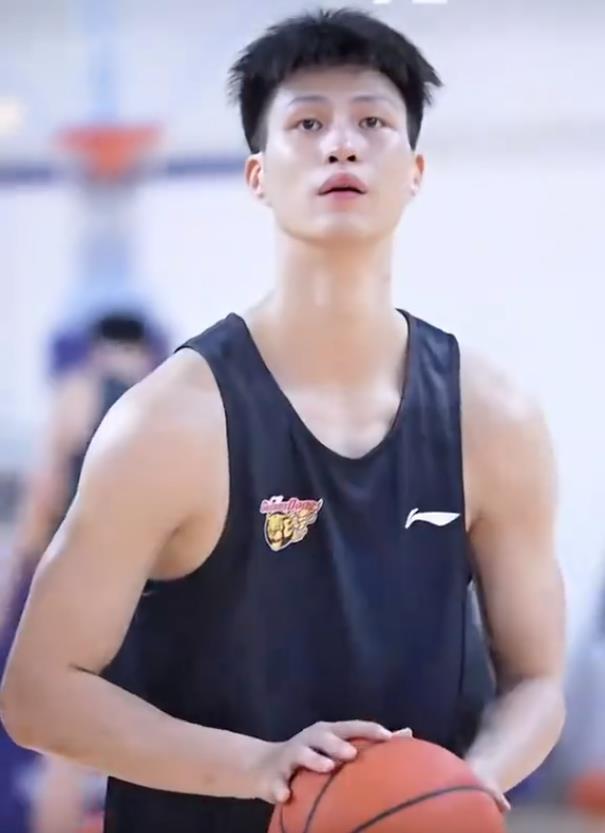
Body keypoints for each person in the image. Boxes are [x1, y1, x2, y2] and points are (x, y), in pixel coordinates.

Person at [0, 10, 565, 833]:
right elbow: (38, 692)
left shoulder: (491, 416)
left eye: (371, 122)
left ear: (413, 170)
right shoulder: (168, 423)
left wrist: (457, 786)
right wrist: (261, 767)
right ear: (257, 176)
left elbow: (539, 681)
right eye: (307, 123)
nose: (341, 144)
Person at [0, 313, 154, 833]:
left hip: (75, 581)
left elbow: (42, 502)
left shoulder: (78, 393)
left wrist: (15, 589)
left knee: (62, 746)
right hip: (143, 586)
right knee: (127, 744)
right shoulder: (162, 396)